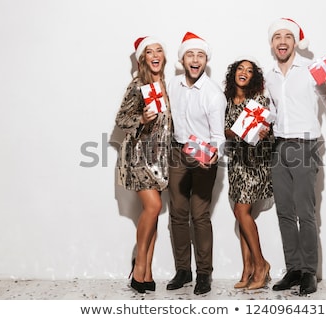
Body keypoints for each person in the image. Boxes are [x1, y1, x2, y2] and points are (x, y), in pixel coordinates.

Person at [265, 18, 326, 295]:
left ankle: (309, 271)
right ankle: (294, 269)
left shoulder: (311, 71)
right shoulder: (269, 75)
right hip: (279, 146)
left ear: (295, 41)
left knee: (305, 213)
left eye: (288, 36)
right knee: (284, 212)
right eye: (277, 37)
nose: (282, 41)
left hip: (305, 146)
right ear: (272, 43)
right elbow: (270, 112)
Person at [166, 31, 227, 295]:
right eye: (190, 54)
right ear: (182, 59)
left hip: (203, 154)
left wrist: (214, 155)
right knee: (178, 214)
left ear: (205, 61)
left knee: (199, 215)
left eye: (200, 55)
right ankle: (183, 270)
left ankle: (204, 274)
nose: (195, 59)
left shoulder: (213, 94)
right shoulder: (173, 85)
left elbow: (218, 136)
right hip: (178, 152)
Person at [115, 36, 172, 294]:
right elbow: (121, 119)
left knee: (153, 215)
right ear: (143, 59)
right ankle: (138, 268)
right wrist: (141, 117)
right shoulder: (138, 85)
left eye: (159, 50)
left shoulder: (166, 85)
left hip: (159, 158)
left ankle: (147, 272)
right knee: (154, 206)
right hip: (138, 156)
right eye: (150, 51)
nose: (156, 54)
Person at [223, 56, 274, 290]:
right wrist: (231, 133)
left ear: (254, 77)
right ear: (234, 73)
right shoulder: (226, 100)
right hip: (236, 163)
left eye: (249, 70)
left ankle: (261, 264)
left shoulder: (259, 99)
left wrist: (265, 133)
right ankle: (248, 269)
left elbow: (269, 131)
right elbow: (223, 130)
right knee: (241, 215)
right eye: (240, 68)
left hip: (255, 163)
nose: (244, 72)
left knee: (241, 210)